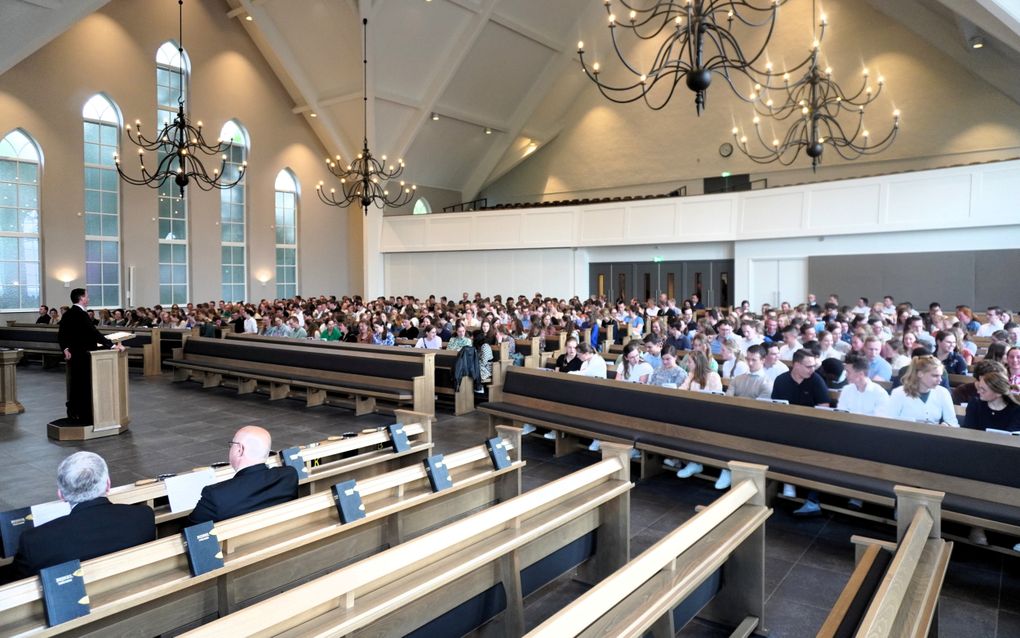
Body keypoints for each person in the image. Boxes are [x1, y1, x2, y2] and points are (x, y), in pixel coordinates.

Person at [5, 452, 155, 582]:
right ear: (108, 485)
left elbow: (15, 585)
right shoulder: (143, 516)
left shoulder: (35, 540)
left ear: (61, 495)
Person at [188, 426, 299, 524]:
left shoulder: (215, 495)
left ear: (240, 450)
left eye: (232, 445)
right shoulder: (289, 475)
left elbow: (188, 531)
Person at [57, 288, 123, 423]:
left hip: (74, 353)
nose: (89, 298)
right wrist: (111, 345)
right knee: (83, 384)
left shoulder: (68, 313)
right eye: (87, 296)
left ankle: (73, 411)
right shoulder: (81, 314)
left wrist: (65, 348)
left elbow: (62, 333)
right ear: (82, 298)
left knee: (76, 383)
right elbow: (93, 333)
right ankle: (83, 413)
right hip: (84, 354)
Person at [880, 355, 958, 425]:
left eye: (940, 376)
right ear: (920, 374)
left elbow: (953, 422)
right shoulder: (899, 393)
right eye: (935, 376)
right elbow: (889, 421)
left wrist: (946, 425)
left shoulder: (943, 392)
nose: (940, 380)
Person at [963, 365, 1020, 432]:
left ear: (998, 393)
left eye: (983, 390)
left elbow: (1012, 437)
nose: (978, 392)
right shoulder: (975, 404)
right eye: (979, 388)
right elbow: (968, 431)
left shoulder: (1016, 410)